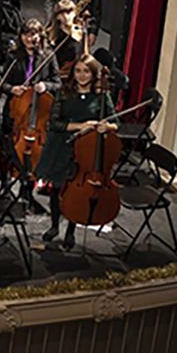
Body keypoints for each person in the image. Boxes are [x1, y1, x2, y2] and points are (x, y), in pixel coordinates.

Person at [36, 54, 115, 250]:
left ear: (93, 73)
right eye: (78, 71)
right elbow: (54, 123)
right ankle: (54, 226)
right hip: (62, 145)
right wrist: (81, 125)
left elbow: (115, 121)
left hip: (86, 152)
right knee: (56, 189)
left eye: (86, 71)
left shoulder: (102, 95)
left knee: (76, 191)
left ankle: (70, 230)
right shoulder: (64, 92)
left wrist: (108, 127)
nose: (81, 75)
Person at [0, 18, 60, 212]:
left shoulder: (48, 56)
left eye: (34, 34)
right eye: (26, 34)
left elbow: (57, 82)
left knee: (33, 153)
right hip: (16, 111)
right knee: (7, 148)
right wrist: (12, 89)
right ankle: (4, 183)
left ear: (39, 36)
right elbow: (3, 83)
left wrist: (46, 86)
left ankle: (27, 190)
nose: (30, 38)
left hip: (37, 114)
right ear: (21, 36)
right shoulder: (13, 56)